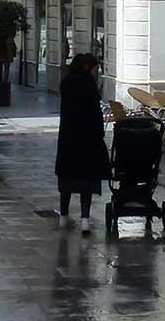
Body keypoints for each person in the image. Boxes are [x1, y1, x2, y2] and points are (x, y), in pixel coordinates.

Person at [54, 53, 109, 234]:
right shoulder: (89, 86)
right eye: (95, 69)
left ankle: (63, 216)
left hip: (68, 139)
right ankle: (85, 219)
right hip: (88, 140)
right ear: (87, 68)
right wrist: (99, 134)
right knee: (86, 181)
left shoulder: (67, 83)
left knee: (67, 180)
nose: (96, 73)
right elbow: (95, 114)